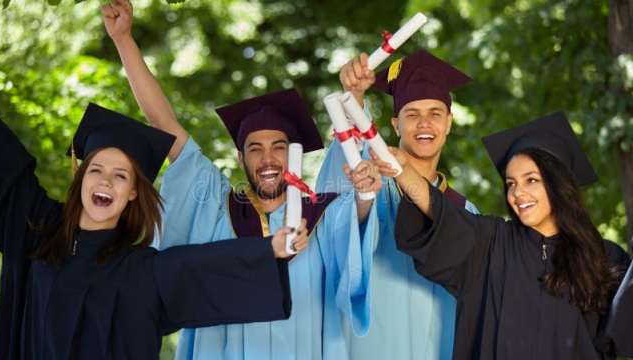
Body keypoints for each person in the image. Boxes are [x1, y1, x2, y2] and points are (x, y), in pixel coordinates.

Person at [102, 1, 381, 359]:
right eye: (255, 149)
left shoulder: (322, 215)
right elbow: (165, 126)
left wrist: (364, 192)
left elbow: (355, 223)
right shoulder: (219, 211)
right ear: (240, 158)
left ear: (294, 154)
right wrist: (124, 40)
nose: (267, 159)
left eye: (279, 147)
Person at [0, 103, 311, 360]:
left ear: (133, 192)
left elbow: (198, 265)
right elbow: (8, 165)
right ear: (80, 178)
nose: (105, 181)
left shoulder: (141, 271)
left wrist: (268, 248)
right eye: (96, 170)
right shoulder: (42, 230)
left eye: (120, 176)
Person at [382, 111, 631, 359]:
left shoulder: (604, 258)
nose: (518, 193)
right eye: (511, 183)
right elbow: (443, 215)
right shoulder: (491, 243)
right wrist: (404, 170)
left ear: (560, 185)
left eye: (531, 180)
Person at [315, 50, 479, 359]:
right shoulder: (371, 181)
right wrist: (355, 100)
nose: (424, 123)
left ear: (449, 123)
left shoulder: (466, 212)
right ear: (396, 123)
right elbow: (332, 210)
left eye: (435, 113)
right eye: (412, 114)